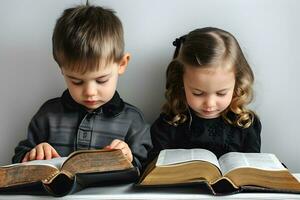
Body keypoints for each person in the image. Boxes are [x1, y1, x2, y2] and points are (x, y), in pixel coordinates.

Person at [12, 3, 152, 171]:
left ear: (121, 64)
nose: (90, 92)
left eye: (101, 80)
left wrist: (129, 158)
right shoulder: (48, 114)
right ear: (62, 69)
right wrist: (33, 155)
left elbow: (147, 168)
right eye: (76, 81)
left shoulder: (133, 120)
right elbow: (18, 158)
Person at [149, 27, 261, 161]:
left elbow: (253, 170)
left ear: (237, 84)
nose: (210, 103)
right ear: (181, 83)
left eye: (221, 93)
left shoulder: (246, 125)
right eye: (198, 93)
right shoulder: (167, 126)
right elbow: (154, 170)